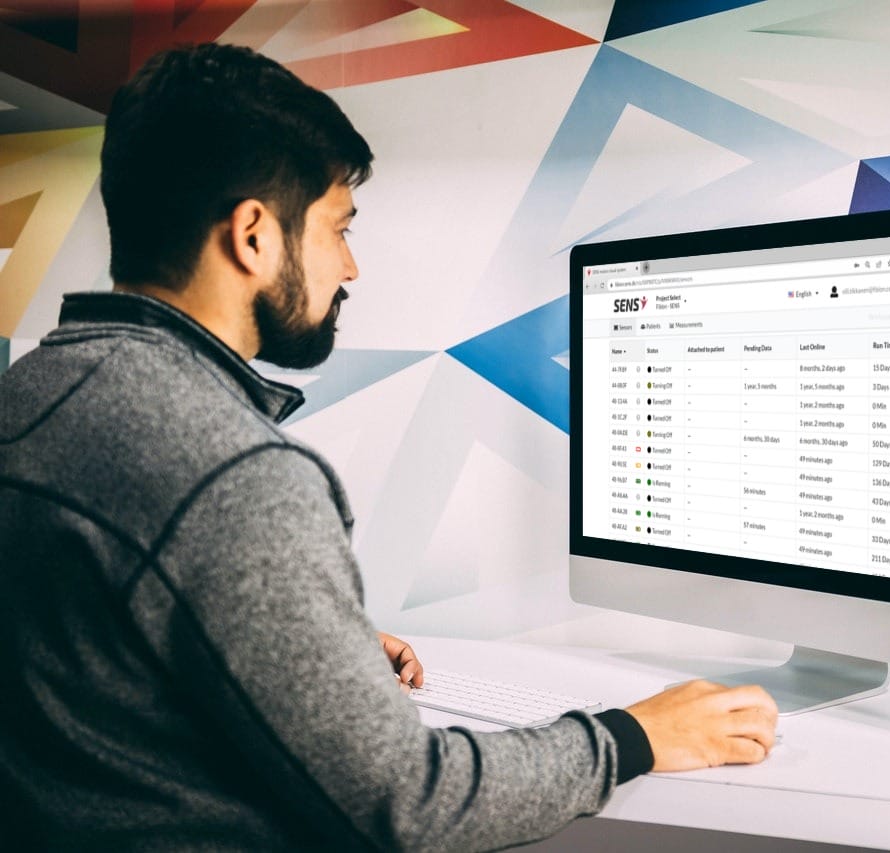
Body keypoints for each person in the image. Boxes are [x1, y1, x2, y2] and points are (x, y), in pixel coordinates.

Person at [0, 43, 777, 850]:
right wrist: (634, 736)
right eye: (337, 228)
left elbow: (90, 667)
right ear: (254, 236)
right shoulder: (232, 476)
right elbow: (410, 803)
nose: (350, 267)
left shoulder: (31, 395)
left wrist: (297, 644)